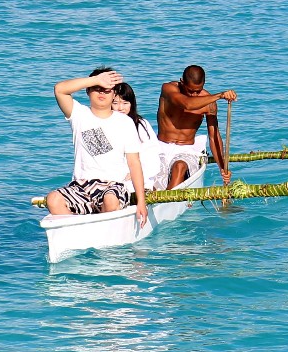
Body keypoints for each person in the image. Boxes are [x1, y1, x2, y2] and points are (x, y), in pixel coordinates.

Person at [44, 68, 151, 230]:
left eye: (107, 90)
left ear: (114, 94)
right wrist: (96, 80)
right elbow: (59, 89)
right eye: (97, 89)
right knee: (53, 199)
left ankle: (101, 230)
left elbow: (134, 163)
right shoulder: (79, 114)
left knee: (110, 200)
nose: (102, 93)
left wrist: (141, 202)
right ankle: (78, 230)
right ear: (88, 91)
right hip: (81, 185)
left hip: (113, 186)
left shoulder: (125, 122)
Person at [155, 64, 239, 189]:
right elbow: (187, 105)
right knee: (151, 179)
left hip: (186, 149)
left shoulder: (209, 103)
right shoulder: (168, 89)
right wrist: (220, 95)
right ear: (182, 82)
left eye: (198, 91)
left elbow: (214, 137)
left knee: (179, 167)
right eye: (190, 91)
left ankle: (166, 201)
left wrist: (222, 167)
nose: (194, 94)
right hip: (160, 146)